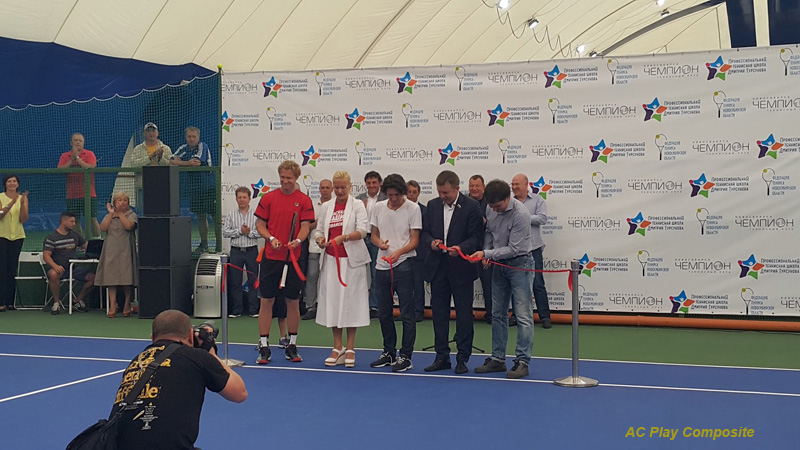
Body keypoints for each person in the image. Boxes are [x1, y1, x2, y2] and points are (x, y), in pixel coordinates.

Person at [112, 310, 246, 450]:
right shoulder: (195, 356)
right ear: (190, 335)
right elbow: (239, 393)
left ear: (152, 338)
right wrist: (210, 353)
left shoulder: (137, 361)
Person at [422, 171, 483, 374]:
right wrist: (432, 242)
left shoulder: (472, 206)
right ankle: (441, 357)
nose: (442, 196)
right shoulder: (432, 205)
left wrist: (461, 248)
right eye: (439, 192)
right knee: (439, 314)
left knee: (464, 315)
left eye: (446, 192)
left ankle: (462, 358)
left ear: (457, 188)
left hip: (462, 268)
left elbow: (477, 238)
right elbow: (425, 233)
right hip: (438, 267)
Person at [471, 180, 533, 379]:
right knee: (497, 313)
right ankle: (497, 359)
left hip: (520, 263)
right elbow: (489, 232)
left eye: (498, 206)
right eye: (491, 206)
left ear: (508, 198)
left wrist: (487, 254)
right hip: (499, 264)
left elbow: (514, 249)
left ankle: (522, 361)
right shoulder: (490, 208)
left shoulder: (521, 214)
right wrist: (488, 251)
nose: (495, 210)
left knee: (523, 315)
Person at [254, 160, 314, 364]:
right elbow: (260, 225)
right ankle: (264, 346)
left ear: (296, 178)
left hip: (293, 259)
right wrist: (271, 238)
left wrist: (298, 240)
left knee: (292, 301)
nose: (285, 181)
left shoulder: (304, 200)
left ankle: (292, 345)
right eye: (282, 177)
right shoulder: (268, 198)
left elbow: (305, 227)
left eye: (289, 178)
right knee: (266, 301)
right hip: (271, 258)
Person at [312, 171, 370, 367]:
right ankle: (338, 347)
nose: (339, 191)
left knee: (351, 304)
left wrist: (344, 238)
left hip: (352, 262)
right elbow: (319, 230)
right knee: (333, 303)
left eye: (343, 187)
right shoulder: (327, 206)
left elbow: (363, 231)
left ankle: (351, 347)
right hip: (331, 260)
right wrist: (320, 239)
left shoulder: (357, 205)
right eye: (336, 187)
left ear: (350, 186)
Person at [368, 174, 421, 373]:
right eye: (390, 195)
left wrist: (399, 252)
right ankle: (389, 352)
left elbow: (415, 240)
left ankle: (406, 356)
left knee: (407, 314)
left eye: (397, 195)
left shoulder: (413, 208)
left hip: (404, 264)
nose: (393, 199)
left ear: (403, 193)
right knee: (384, 313)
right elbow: (373, 235)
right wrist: (380, 243)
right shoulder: (378, 207)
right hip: (381, 265)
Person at [511, 174, 551, 329]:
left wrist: (523, 216)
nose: (514, 187)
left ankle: (545, 317)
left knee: (538, 283)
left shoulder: (537, 200)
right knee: (516, 284)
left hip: (534, 248)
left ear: (526, 184)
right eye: (513, 184)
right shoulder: (510, 202)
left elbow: (542, 219)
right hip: (516, 249)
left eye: (517, 184)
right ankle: (516, 316)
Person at [171, 127, 219, 253]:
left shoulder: (203, 146)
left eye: (194, 136)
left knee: (215, 217)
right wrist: (186, 162)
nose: (191, 139)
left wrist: (181, 162)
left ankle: (219, 244)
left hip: (209, 187)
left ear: (198, 137)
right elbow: (171, 161)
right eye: (189, 136)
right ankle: (204, 244)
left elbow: (196, 162)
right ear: (186, 137)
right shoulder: (183, 148)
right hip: (195, 188)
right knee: (201, 217)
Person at [95, 192, 138, 318]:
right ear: (114, 203)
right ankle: (113, 304)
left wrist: (120, 214)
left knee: (127, 277)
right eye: (119, 200)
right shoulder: (109, 216)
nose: (122, 202)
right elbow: (102, 228)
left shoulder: (131, 215)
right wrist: (111, 214)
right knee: (111, 278)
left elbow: (129, 226)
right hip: (111, 250)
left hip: (126, 249)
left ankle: (127, 303)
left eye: (125, 200)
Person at [42, 212, 96, 314]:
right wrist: (55, 266)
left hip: (73, 269)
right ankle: (56, 303)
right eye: (71, 221)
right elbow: (46, 256)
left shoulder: (75, 236)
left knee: (95, 278)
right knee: (53, 274)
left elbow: (87, 247)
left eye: (74, 221)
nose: (74, 224)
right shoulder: (51, 237)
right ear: (63, 221)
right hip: (58, 269)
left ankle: (77, 301)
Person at [223, 186, 261, 318]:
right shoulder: (231, 215)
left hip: (251, 251)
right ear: (236, 199)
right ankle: (237, 310)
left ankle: (253, 309)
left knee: (253, 280)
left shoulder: (256, 215)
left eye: (244, 197)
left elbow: (261, 232)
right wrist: (240, 231)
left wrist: (249, 233)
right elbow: (225, 232)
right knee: (235, 281)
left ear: (250, 199)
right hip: (236, 251)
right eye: (239, 197)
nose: (242, 200)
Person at [355, 171, 387, 318]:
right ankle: (358, 305)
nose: (371, 185)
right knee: (358, 273)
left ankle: (374, 306)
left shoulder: (386, 198)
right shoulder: (358, 199)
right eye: (369, 183)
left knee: (375, 273)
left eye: (374, 182)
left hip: (377, 238)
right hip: (360, 238)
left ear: (380, 183)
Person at [57, 132, 100, 237]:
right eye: (75, 140)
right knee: (74, 221)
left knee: (92, 219)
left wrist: (77, 158)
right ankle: (80, 242)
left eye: (80, 141)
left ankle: (98, 240)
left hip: (89, 194)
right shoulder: (65, 156)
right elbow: (60, 169)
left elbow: (89, 167)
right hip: (72, 195)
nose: (78, 142)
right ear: (71, 143)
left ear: (83, 143)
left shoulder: (89, 154)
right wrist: (72, 159)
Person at [301, 179, 332, 320]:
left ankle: (330, 307)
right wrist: (318, 223)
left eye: (327, 188)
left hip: (331, 247)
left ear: (332, 189)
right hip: (314, 247)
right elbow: (306, 227)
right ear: (319, 189)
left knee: (331, 278)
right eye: (322, 187)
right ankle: (310, 307)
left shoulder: (336, 205)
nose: (324, 190)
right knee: (312, 277)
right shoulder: (312, 205)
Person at [128, 122, 172, 212]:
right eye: (148, 131)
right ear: (144, 134)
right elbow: (134, 165)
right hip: (143, 186)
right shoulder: (137, 149)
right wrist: (150, 157)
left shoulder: (165, 149)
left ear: (157, 133)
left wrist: (160, 158)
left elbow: (170, 166)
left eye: (153, 131)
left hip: (161, 186)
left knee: (161, 212)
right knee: (144, 213)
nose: (151, 133)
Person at [0, 175, 28, 312]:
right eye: (9, 181)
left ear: (18, 184)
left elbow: (23, 219)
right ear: (5, 184)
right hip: (2, 236)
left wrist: (22, 204)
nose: (12, 183)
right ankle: (1, 302)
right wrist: (12, 202)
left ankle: (10, 302)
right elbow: (0, 214)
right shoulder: (1, 197)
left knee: (12, 269)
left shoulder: (23, 199)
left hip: (17, 237)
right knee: (2, 269)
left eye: (14, 181)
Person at [469, 174, 493, 324]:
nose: (474, 189)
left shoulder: (491, 203)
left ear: (483, 187)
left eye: (477, 186)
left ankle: (491, 314)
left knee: (488, 284)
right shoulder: (464, 203)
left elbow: (495, 228)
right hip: (468, 250)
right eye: (472, 186)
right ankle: (466, 314)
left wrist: (485, 222)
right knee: (465, 284)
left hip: (486, 250)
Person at [406, 180, 428, 322]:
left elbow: (425, 232)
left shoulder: (424, 210)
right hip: (403, 253)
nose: (411, 195)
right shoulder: (400, 210)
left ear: (418, 193)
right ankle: (407, 311)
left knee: (418, 283)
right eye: (409, 192)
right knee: (405, 285)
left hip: (419, 252)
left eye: (414, 192)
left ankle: (419, 311)